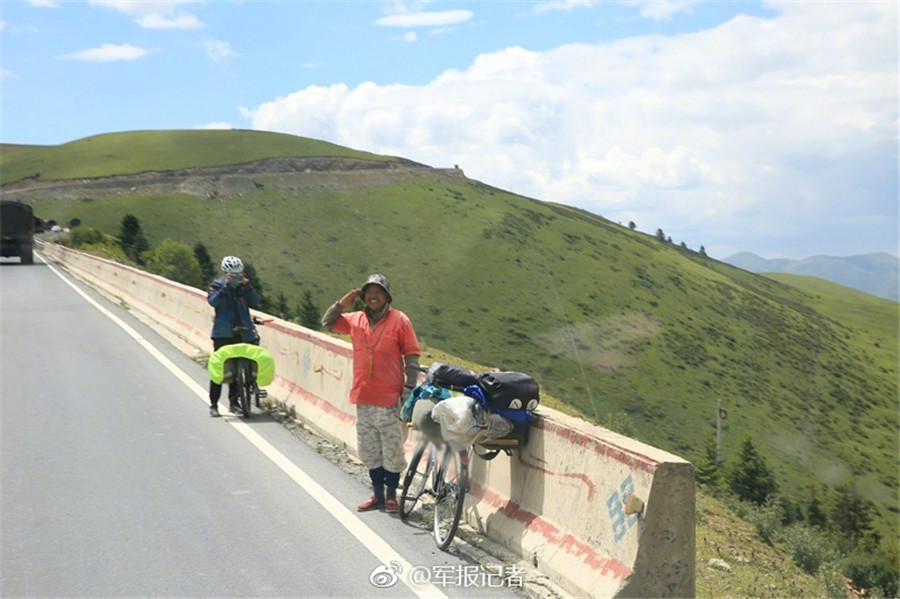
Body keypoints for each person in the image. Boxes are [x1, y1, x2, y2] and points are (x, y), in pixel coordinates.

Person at [322, 274, 421, 513]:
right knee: (369, 449)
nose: (373, 296)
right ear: (363, 297)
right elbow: (327, 322)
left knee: (392, 448)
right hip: (364, 396)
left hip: (389, 397)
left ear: (387, 296)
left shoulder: (400, 321)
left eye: (378, 291)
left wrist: (409, 388)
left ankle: (390, 496)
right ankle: (376, 495)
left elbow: (412, 356)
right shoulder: (355, 319)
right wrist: (343, 302)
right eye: (369, 292)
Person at [207, 255, 261, 417]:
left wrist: (248, 286)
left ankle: (234, 402)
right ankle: (214, 404)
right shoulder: (217, 286)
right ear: (225, 273)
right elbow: (212, 302)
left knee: (240, 367)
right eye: (233, 275)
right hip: (223, 333)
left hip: (243, 330)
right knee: (219, 368)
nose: (236, 278)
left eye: (239, 274)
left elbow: (255, 302)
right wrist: (226, 287)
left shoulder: (243, 288)